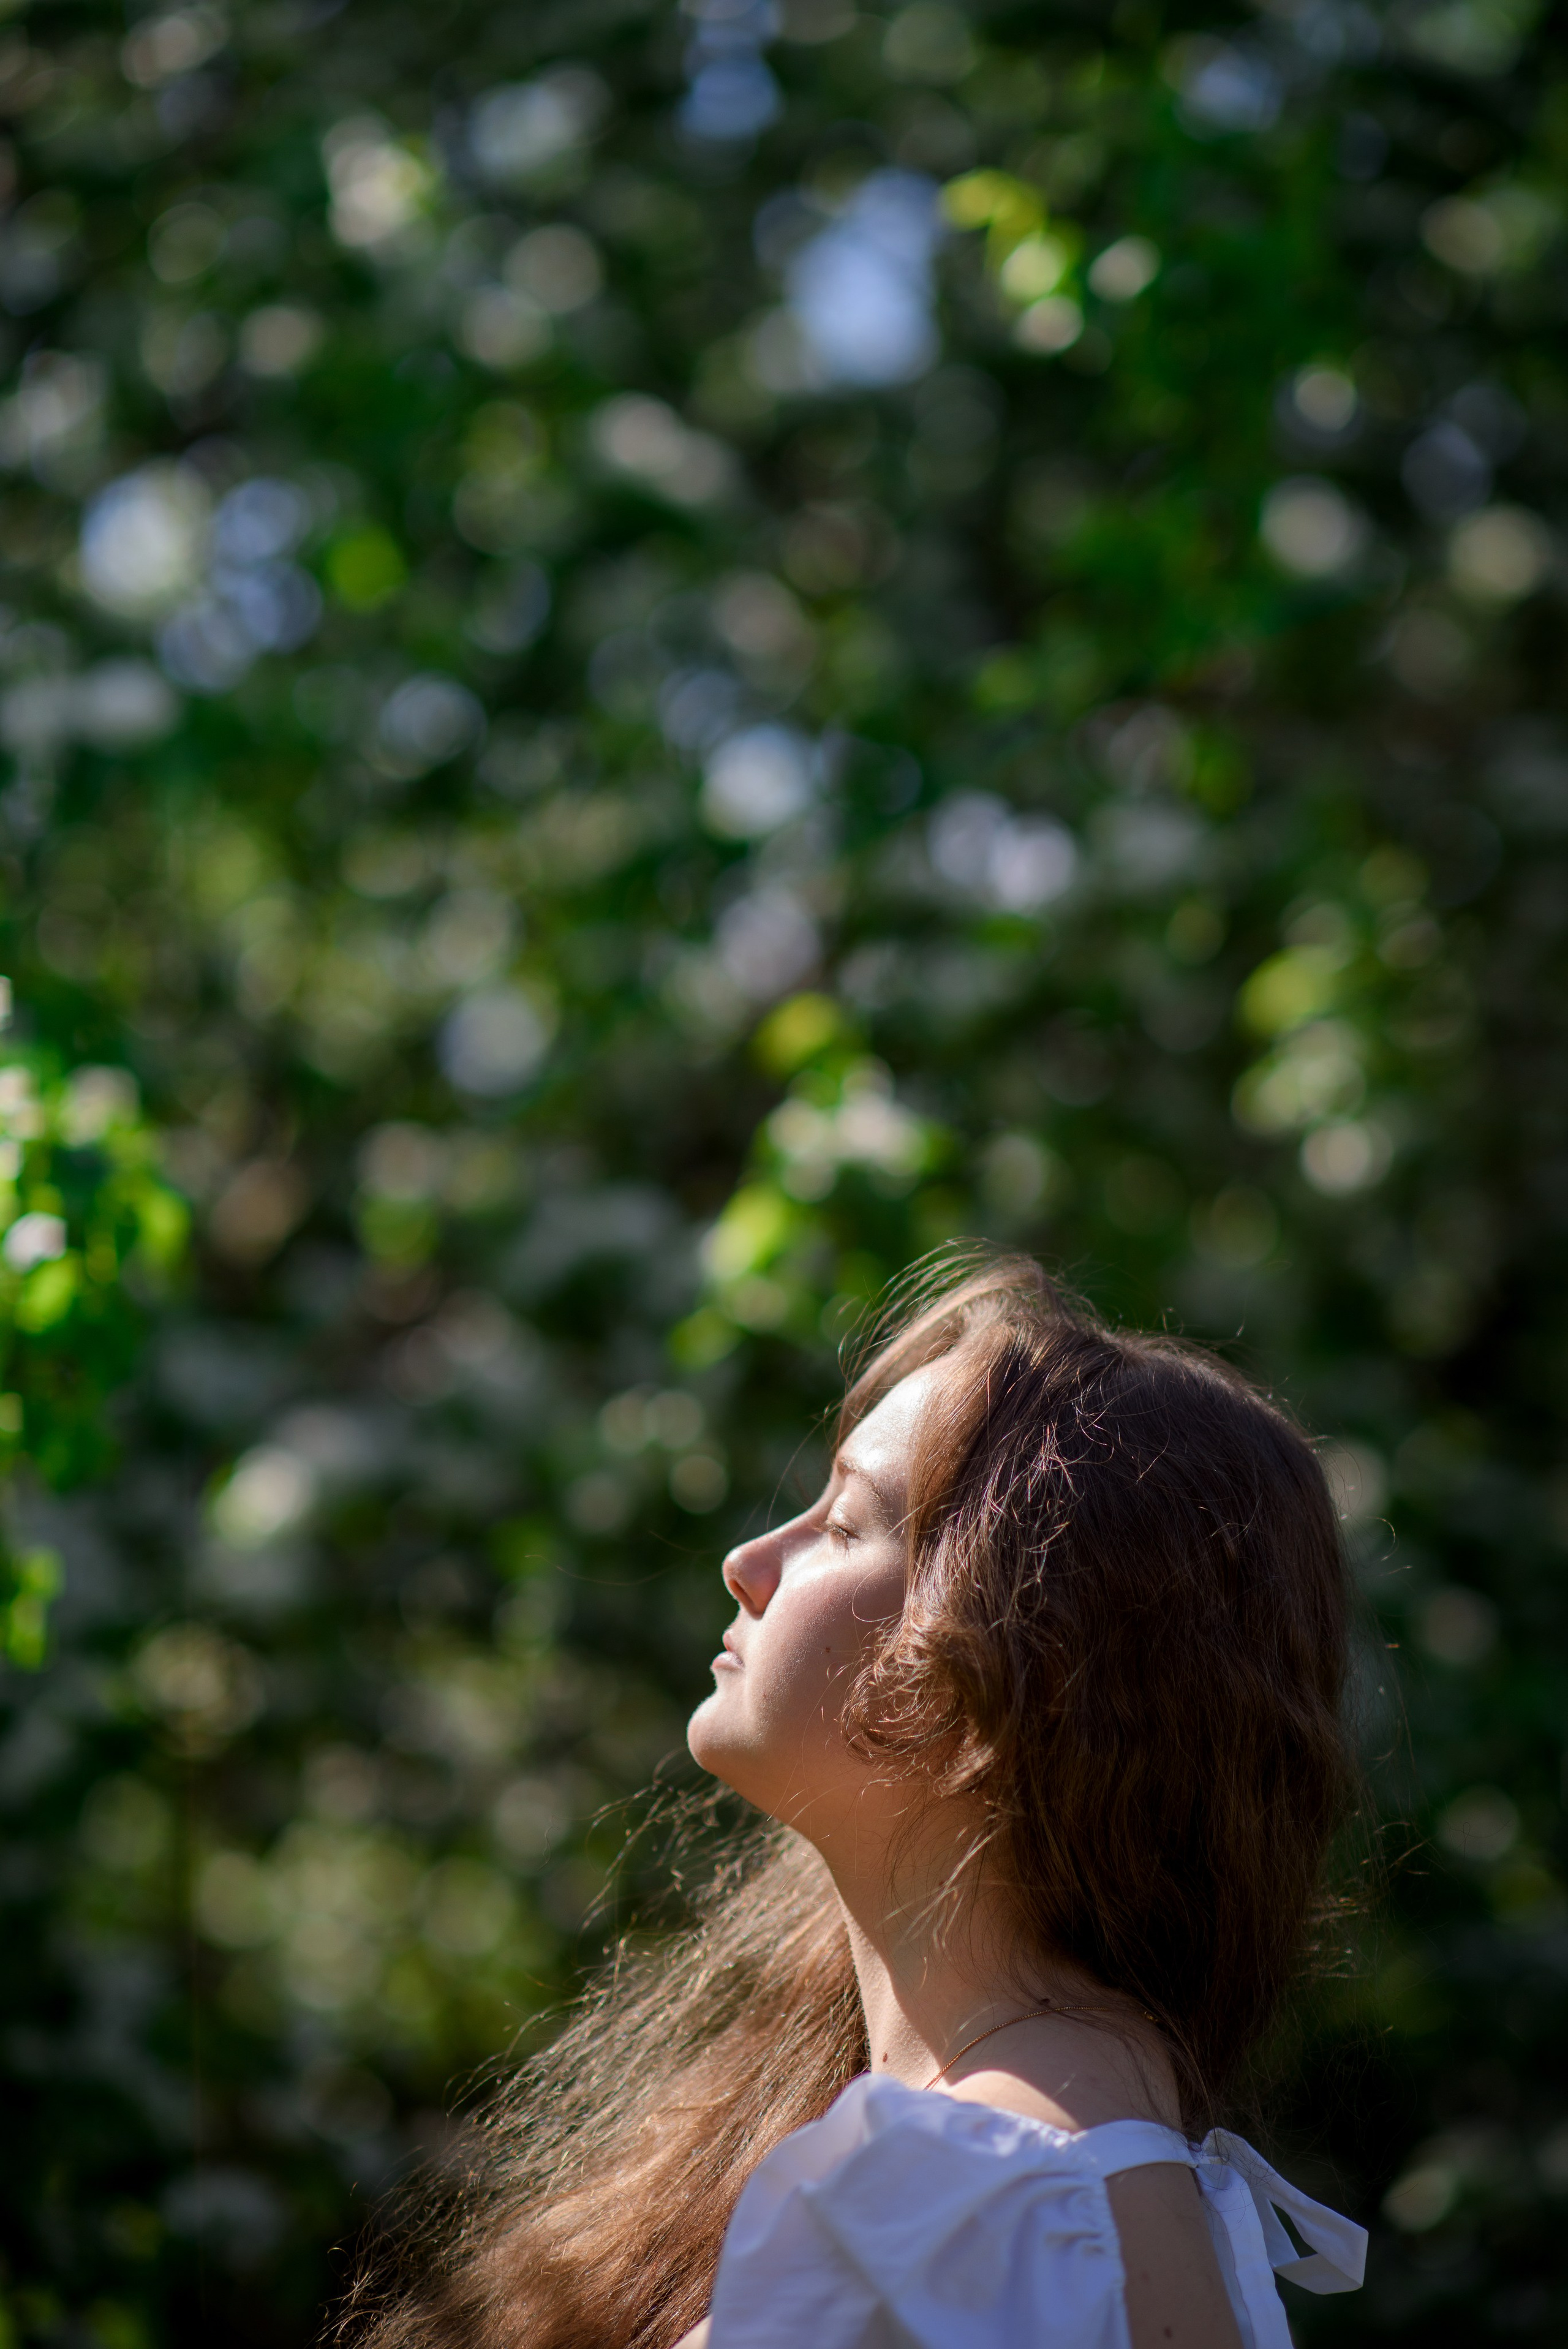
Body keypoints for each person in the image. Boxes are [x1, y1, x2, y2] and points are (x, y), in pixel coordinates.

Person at [348, 1255, 1366, 2349]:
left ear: (1014, 1666)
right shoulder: (1078, 2193)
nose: (748, 1561)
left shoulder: (972, 2214)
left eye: (844, 1525)